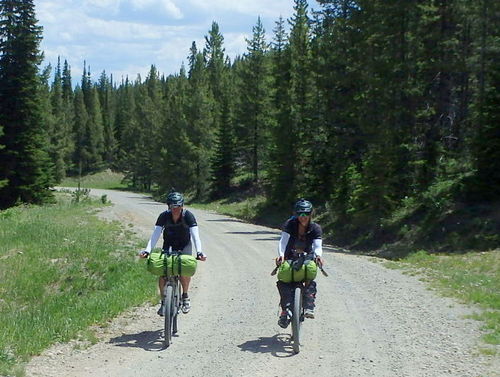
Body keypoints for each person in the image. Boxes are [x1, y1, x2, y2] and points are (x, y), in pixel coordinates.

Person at [139, 191, 207, 316]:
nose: (176, 209)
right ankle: (164, 301)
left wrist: (199, 252)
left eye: (178, 206)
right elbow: (155, 234)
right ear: (168, 206)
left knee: (184, 270)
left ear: (182, 206)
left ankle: (185, 296)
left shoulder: (188, 216)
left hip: (184, 245)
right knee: (163, 272)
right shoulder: (164, 216)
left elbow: (195, 235)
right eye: (172, 206)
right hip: (168, 245)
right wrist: (147, 250)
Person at [275, 199, 324, 329]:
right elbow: (283, 241)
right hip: (289, 255)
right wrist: (281, 255)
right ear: (296, 214)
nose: (303, 217)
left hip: (307, 256)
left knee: (309, 279)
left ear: (310, 214)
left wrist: (318, 256)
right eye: (300, 214)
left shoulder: (315, 228)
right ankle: (285, 310)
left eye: (306, 214)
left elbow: (318, 245)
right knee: (284, 281)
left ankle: (309, 307)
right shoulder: (289, 224)